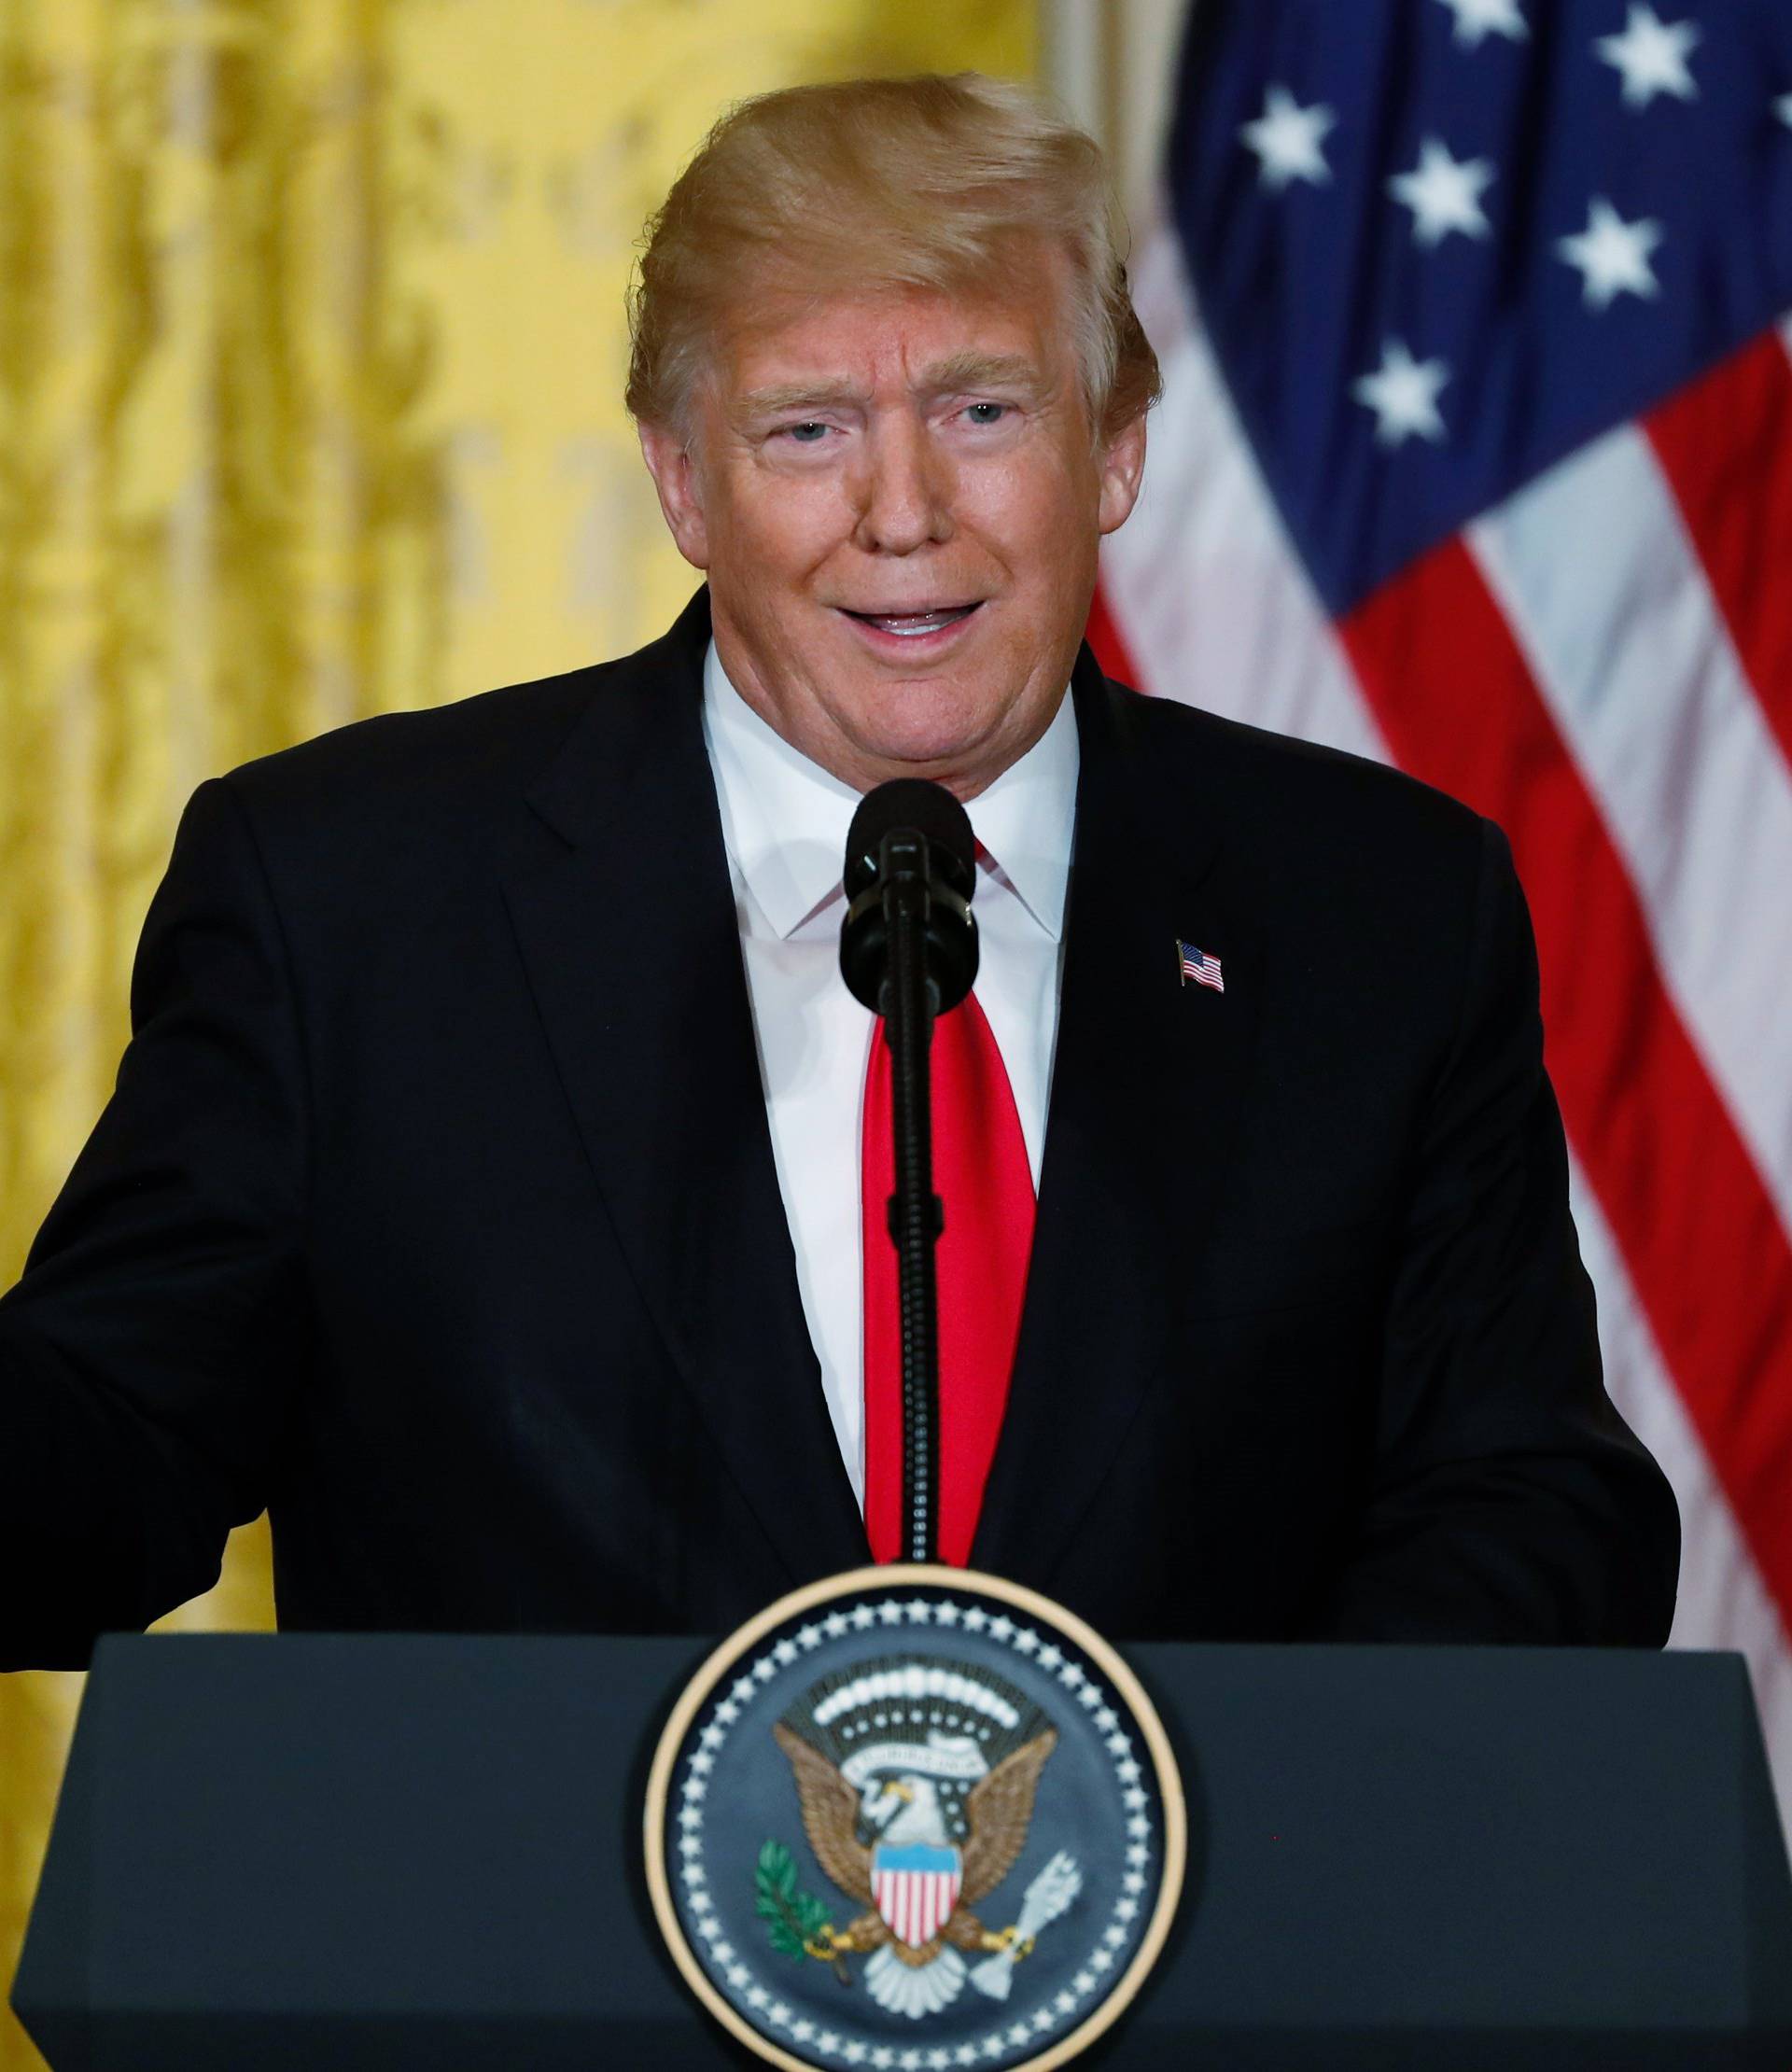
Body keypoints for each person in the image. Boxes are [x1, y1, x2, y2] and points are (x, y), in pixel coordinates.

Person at [0, 75, 1677, 1672]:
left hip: (1197, 1955)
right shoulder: (350, 903)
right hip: (516, 1955)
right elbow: (104, 1456)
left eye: (983, 410)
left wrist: (1221, 1804)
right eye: (807, 430)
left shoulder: (1376, 911)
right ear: (683, 482)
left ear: (1113, 450)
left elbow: (1533, 1500)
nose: (902, 513)